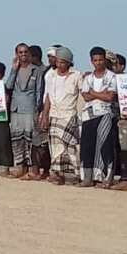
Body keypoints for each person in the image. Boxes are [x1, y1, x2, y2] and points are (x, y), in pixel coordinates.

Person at [41, 46, 83, 185]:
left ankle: (73, 175)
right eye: (58, 61)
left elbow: (82, 95)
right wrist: (45, 115)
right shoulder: (50, 75)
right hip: (54, 115)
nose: (60, 65)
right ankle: (57, 174)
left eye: (63, 62)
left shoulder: (77, 75)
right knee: (56, 148)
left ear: (69, 63)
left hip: (69, 115)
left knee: (71, 147)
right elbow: (47, 97)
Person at [79, 47, 118, 188]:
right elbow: (85, 96)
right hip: (89, 115)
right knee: (87, 146)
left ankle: (106, 178)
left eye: (101, 60)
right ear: (91, 61)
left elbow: (110, 97)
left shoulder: (111, 76)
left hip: (105, 113)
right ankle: (87, 178)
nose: (98, 63)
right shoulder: (88, 78)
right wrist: (101, 94)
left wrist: (93, 93)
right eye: (95, 60)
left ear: (105, 60)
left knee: (105, 145)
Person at [5, 43, 43, 179]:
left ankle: (31, 169)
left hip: (30, 109)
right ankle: (20, 167)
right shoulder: (15, 69)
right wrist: (13, 69)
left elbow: (39, 91)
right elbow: (8, 85)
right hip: (16, 108)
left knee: (30, 140)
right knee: (17, 140)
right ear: (17, 54)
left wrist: (38, 110)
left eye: (25, 52)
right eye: (20, 52)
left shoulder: (36, 70)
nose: (23, 54)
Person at [29, 45, 51, 178]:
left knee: (44, 143)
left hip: (44, 110)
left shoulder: (46, 72)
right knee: (35, 142)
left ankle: (46, 170)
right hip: (34, 110)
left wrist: (42, 110)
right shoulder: (32, 70)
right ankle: (35, 170)